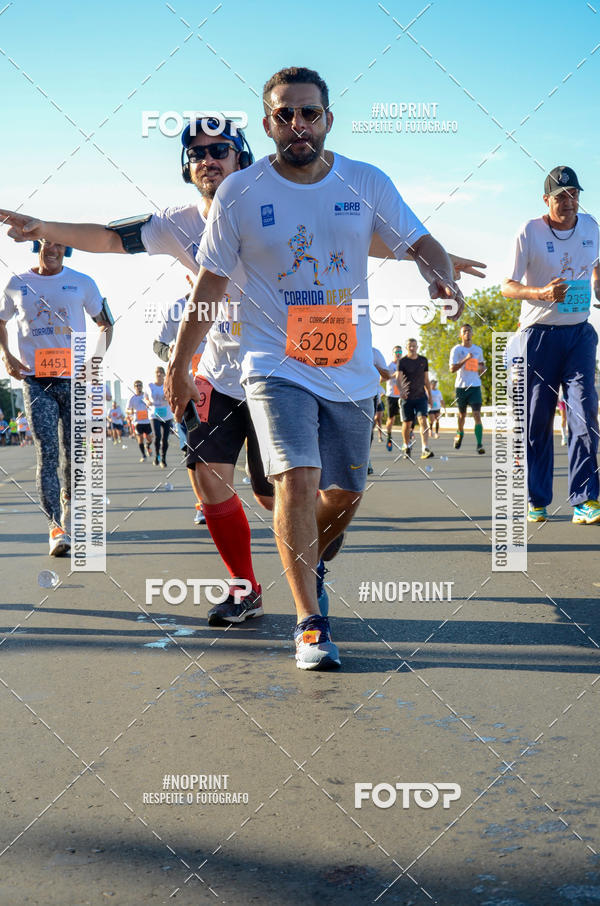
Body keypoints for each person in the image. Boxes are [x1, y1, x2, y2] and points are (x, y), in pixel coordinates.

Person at [166, 66, 464, 670]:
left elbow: (419, 240)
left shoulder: (365, 181)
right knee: (295, 478)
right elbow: (210, 283)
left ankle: (309, 557)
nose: (298, 125)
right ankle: (310, 625)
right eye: (285, 115)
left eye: (309, 113)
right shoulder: (240, 192)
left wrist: (442, 276)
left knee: (346, 492)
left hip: (348, 369)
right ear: (270, 123)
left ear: (328, 117)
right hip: (274, 363)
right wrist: (180, 363)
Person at [0, 119, 275, 621]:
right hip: (219, 371)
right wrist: (43, 227)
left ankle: (311, 573)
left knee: (273, 492)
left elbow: (346, 238)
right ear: (187, 167)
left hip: (281, 370)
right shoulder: (177, 222)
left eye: (220, 150)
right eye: (197, 154)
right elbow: (107, 237)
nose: (208, 159)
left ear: (242, 158)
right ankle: (245, 588)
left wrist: (426, 252)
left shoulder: (275, 207)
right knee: (208, 478)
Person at [502, 165, 600, 524]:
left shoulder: (591, 227)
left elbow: (596, 267)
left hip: (579, 333)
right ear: (547, 200)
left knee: (584, 412)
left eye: (574, 194)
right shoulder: (529, 231)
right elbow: (507, 286)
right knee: (536, 423)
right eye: (561, 196)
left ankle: (586, 499)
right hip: (538, 336)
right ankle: (537, 498)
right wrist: (541, 292)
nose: (569, 202)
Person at [0, 241, 112, 555]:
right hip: (36, 381)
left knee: (73, 454)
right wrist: (7, 356)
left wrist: (95, 361)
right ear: (38, 245)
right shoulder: (16, 283)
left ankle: (68, 502)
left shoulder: (82, 282)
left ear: (67, 250)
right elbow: (1, 322)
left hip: (74, 382)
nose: (53, 249)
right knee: (46, 453)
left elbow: (106, 323)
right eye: (48, 243)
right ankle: (56, 528)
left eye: (60, 245)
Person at [153, 293, 207, 524]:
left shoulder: (231, 300)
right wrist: (173, 355)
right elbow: (158, 344)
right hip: (188, 389)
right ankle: (203, 504)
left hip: (224, 388)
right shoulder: (178, 307)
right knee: (193, 452)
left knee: (221, 452)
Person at [449, 324, 485, 454]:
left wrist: (482, 369)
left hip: (475, 386)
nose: (467, 333)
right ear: (460, 335)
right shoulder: (456, 350)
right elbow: (452, 369)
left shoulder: (478, 350)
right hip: (461, 387)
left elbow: (482, 366)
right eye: (464, 331)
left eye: (469, 331)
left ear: (472, 333)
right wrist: (466, 359)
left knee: (476, 414)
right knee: (462, 415)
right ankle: (460, 433)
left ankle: (479, 444)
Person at [395, 339, 434, 459]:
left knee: (423, 420)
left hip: (421, 396)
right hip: (407, 397)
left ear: (417, 347)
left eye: (414, 346)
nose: (412, 348)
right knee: (407, 424)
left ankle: (425, 448)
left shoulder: (423, 360)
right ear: (406, 348)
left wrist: (430, 396)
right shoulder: (402, 362)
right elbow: (398, 378)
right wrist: (401, 390)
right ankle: (406, 445)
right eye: (410, 346)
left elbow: (426, 380)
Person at [145, 366, 173, 468]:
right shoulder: (150, 386)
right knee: (157, 436)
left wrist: (169, 397)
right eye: (157, 372)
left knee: (165, 439)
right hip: (154, 414)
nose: (159, 374)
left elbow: (173, 397)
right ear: (154, 374)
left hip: (167, 415)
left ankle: (163, 458)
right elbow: (145, 397)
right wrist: (147, 402)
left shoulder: (168, 385)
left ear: (164, 374)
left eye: (161, 372)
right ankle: (157, 456)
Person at [384, 345, 405, 451]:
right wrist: (394, 375)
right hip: (391, 396)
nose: (398, 354)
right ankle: (389, 436)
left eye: (400, 352)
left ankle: (406, 440)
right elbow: (381, 379)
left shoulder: (404, 365)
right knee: (391, 419)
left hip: (402, 395)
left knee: (405, 419)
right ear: (393, 354)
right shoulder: (389, 365)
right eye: (396, 352)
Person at [127, 381, 153, 462]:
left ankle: (147, 446)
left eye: (140, 385)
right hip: (137, 422)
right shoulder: (132, 398)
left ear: (142, 386)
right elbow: (127, 410)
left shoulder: (146, 396)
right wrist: (130, 412)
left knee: (150, 439)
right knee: (140, 439)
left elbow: (151, 404)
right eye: (137, 386)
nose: (138, 387)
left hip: (147, 421)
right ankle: (143, 455)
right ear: (134, 387)